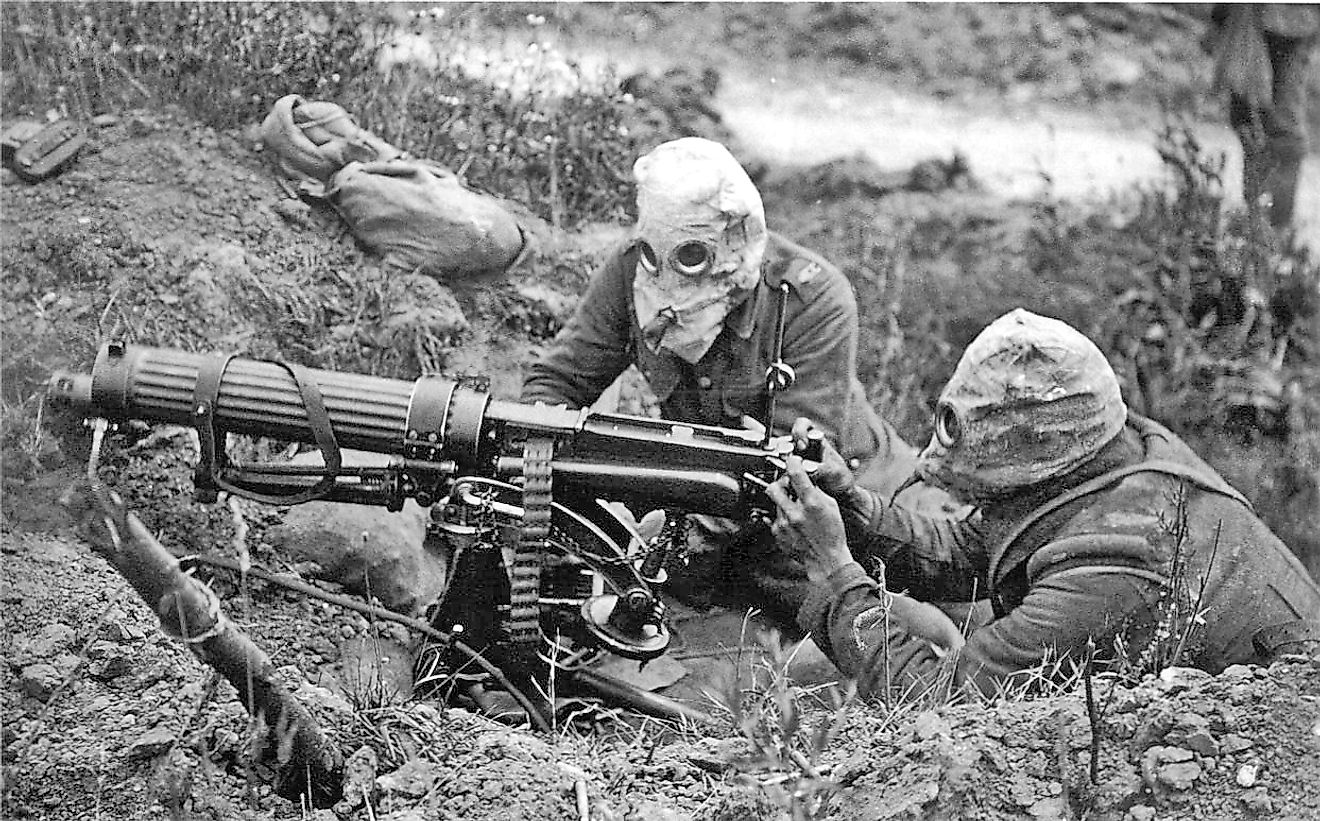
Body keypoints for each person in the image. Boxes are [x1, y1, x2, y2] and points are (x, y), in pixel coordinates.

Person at [767, 309, 1320, 698]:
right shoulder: (1113, 452)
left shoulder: (1117, 562)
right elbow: (976, 548)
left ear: (1032, 452)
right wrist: (856, 509)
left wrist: (834, 572)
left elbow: (937, 702)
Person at [521, 136, 939, 626]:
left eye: (694, 255)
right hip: (717, 506)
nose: (669, 276)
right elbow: (557, 384)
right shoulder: (630, 274)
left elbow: (793, 471)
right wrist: (552, 486)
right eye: (659, 254)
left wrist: (661, 536)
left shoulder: (811, 299)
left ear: (739, 239)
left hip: (845, 500)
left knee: (936, 622)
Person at [1208, 4, 1320, 229]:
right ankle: (1258, 225)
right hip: (1256, 15)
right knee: (1249, 117)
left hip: (1286, 19)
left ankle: (1274, 230)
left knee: (1278, 123)